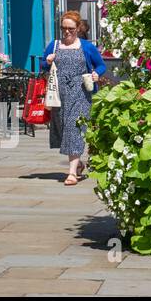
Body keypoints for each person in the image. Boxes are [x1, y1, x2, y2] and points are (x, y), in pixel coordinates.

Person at [44, 10, 107, 186]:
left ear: (78, 28)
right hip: (59, 94)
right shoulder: (55, 45)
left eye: (70, 28)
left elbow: (101, 65)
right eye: (63, 28)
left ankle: (71, 173)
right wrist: (48, 62)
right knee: (64, 129)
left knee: (75, 129)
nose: (67, 32)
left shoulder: (87, 46)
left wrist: (96, 74)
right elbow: (43, 65)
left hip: (81, 93)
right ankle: (78, 164)